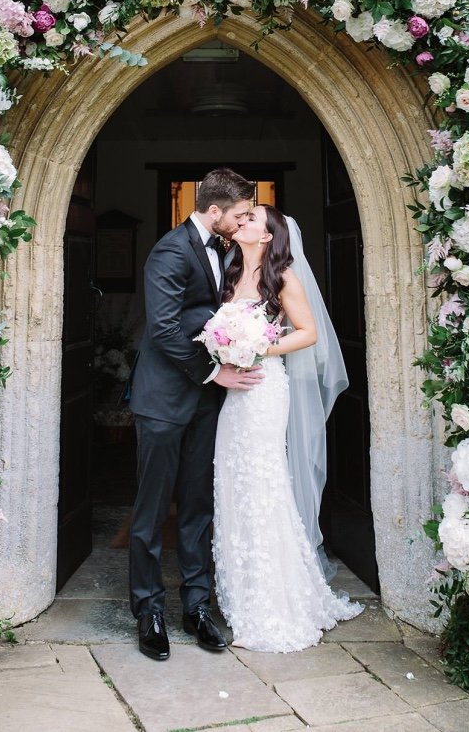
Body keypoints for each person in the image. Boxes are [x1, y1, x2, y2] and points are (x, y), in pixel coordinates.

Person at [213, 205, 364, 652]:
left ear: (268, 235)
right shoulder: (230, 273)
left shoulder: (283, 278)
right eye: (241, 219)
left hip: (264, 389)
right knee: (233, 483)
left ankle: (275, 606)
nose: (241, 223)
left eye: (252, 219)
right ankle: (243, 594)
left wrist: (260, 343)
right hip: (233, 394)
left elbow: (309, 332)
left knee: (263, 487)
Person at [128, 167, 263, 661]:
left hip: (206, 405)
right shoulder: (169, 250)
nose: (245, 220)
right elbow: (163, 330)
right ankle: (148, 610)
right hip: (164, 401)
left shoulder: (225, 249)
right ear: (213, 212)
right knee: (151, 511)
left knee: (197, 505)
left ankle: (197, 606)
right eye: (240, 214)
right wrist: (214, 374)